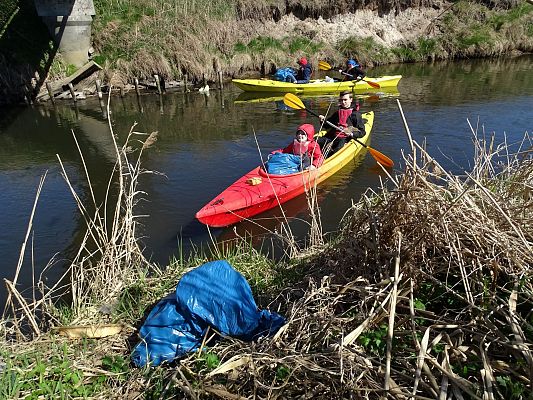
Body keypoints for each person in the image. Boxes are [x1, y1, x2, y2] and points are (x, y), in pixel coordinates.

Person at [317, 91, 366, 157]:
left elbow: (362, 132)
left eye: (345, 100)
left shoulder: (355, 115)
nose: (343, 102)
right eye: (341, 100)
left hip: (344, 139)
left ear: (351, 100)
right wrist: (322, 120)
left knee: (336, 150)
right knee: (316, 141)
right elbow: (327, 126)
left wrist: (352, 134)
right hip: (332, 137)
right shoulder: (337, 113)